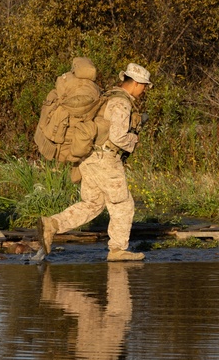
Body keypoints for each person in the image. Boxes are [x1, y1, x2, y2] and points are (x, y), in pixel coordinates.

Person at [38, 63, 151, 262]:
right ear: (135, 83)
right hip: (105, 159)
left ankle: (52, 224)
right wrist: (134, 139)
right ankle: (117, 249)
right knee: (123, 204)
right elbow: (117, 137)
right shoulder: (121, 102)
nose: (144, 90)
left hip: (89, 157)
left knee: (92, 203)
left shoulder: (107, 96)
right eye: (144, 85)